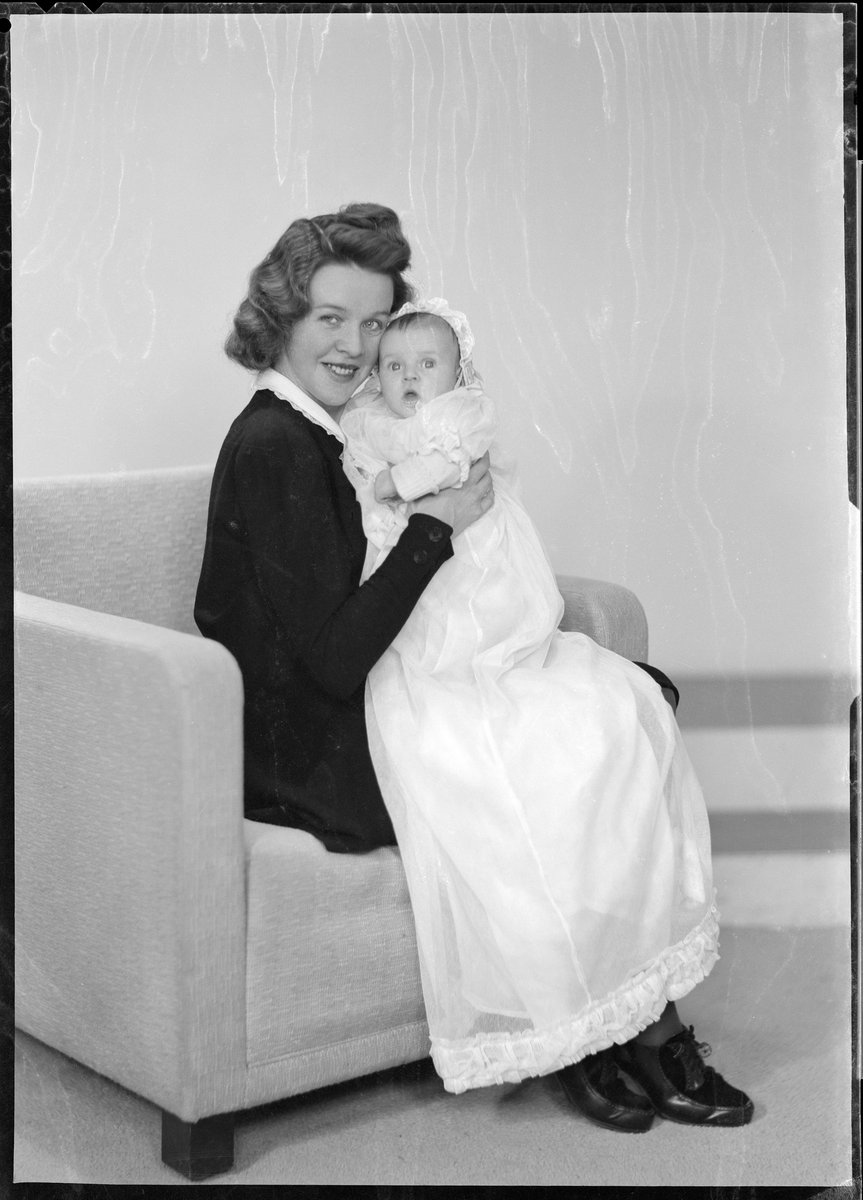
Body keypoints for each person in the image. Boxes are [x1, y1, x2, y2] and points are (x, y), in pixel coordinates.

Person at [195, 203, 753, 1136]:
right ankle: (608, 1034)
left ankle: (618, 1021)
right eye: (329, 317)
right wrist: (435, 526)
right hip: (313, 751)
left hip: (357, 698)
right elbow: (332, 660)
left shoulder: (337, 431)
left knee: (609, 709)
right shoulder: (273, 444)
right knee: (563, 747)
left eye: (375, 322)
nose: (355, 345)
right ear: (282, 316)